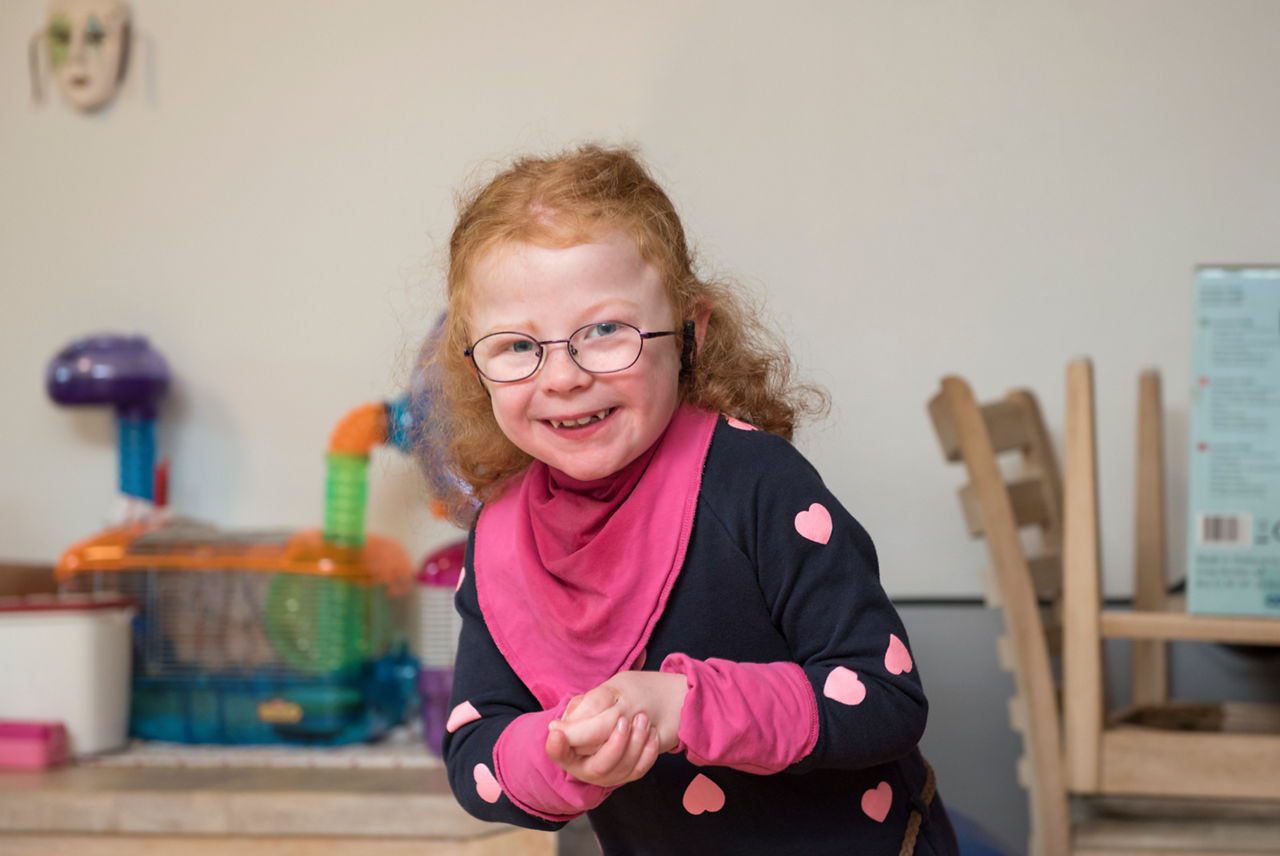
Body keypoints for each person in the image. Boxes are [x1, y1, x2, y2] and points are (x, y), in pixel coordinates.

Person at [422, 143, 958, 855]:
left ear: (689, 331)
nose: (564, 377)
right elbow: (474, 755)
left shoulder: (758, 484)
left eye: (606, 330)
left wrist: (683, 707)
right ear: (474, 367)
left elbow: (884, 700)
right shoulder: (499, 541)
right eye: (517, 347)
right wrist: (559, 753)